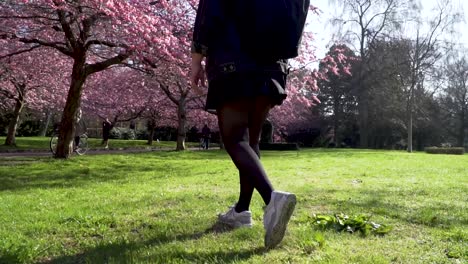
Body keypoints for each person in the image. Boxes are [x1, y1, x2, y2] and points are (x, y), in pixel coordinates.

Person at [191, 0, 297, 249]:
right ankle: (241, 210)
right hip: (273, 65)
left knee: (234, 137)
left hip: (234, 61)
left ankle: (272, 199)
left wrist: (196, 60)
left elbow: (209, 14)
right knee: (251, 141)